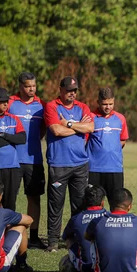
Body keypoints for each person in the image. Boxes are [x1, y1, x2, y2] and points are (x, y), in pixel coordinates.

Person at [44, 76, 94, 252]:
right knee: (56, 204)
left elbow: (90, 128)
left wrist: (68, 123)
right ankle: (53, 242)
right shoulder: (51, 106)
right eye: (69, 90)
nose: (72, 93)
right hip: (58, 163)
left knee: (79, 205)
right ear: (61, 89)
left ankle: (76, 239)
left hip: (80, 163)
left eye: (74, 90)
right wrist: (77, 127)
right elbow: (56, 130)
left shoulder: (83, 107)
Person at [8, 72, 47, 249]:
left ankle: (33, 237)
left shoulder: (41, 106)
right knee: (10, 198)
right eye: (27, 86)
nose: (31, 89)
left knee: (34, 198)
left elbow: (43, 130)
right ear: (20, 86)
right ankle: (8, 234)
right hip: (12, 160)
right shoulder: (10, 103)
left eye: (34, 86)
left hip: (34, 160)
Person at [85, 188, 137, 272]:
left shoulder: (97, 221)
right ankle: (134, 269)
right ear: (130, 206)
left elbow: (87, 237)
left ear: (110, 204)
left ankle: (99, 269)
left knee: (94, 239)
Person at [87, 87, 129, 206]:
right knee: (94, 205)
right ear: (98, 102)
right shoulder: (90, 117)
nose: (108, 107)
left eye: (110, 104)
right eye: (105, 104)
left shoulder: (120, 118)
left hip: (114, 169)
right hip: (94, 169)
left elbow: (122, 140)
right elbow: (84, 141)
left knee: (116, 204)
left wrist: (111, 150)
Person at [61, 186, 107, 272]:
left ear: (84, 201)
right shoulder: (110, 217)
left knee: (70, 238)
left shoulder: (76, 218)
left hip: (87, 270)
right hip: (107, 269)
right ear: (102, 203)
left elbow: (66, 236)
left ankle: (78, 261)